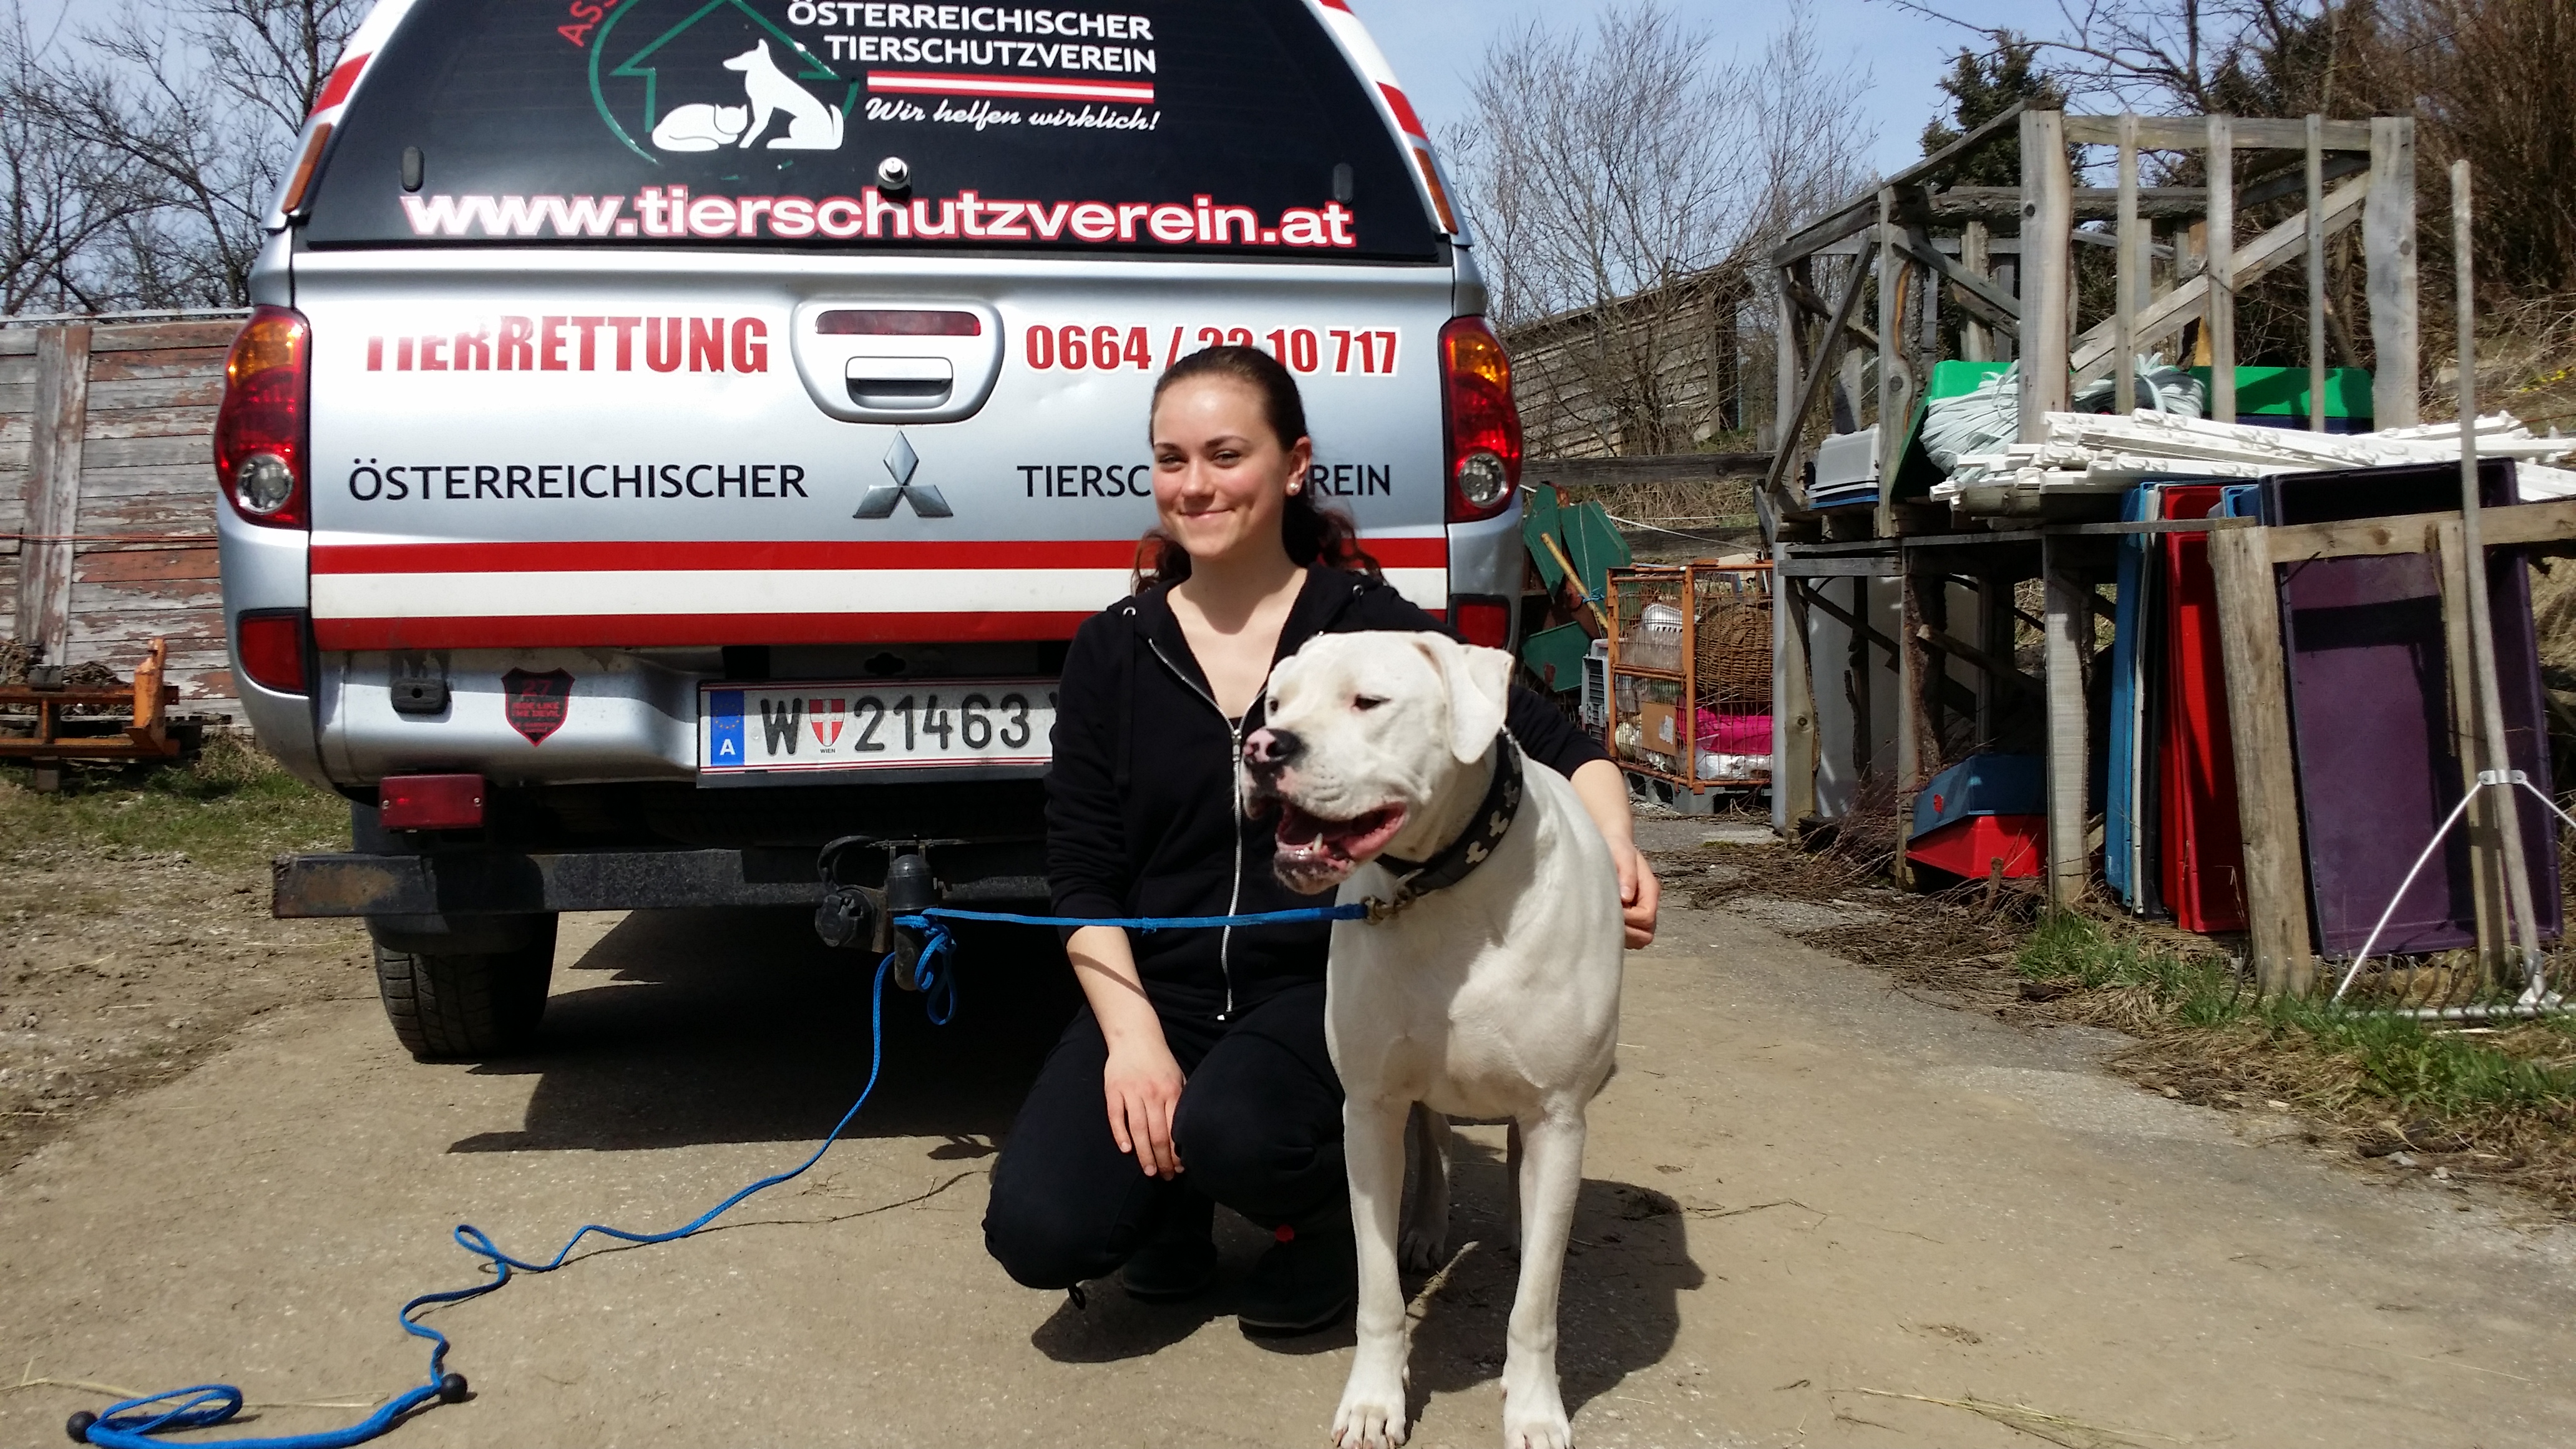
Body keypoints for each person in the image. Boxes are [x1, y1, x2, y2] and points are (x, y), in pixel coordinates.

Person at [982, 345, 1659, 1334]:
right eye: (1171, 459)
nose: (1196, 484)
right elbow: (1083, 872)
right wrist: (1132, 1044)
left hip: (1315, 987)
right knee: (1042, 1230)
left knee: (1244, 1133)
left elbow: (1557, 739)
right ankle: (1169, 1203)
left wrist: (1615, 842)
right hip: (1160, 991)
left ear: (1293, 464)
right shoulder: (1112, 648)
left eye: (1225, 453)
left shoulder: (1361, 627)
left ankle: (1323, 1225)